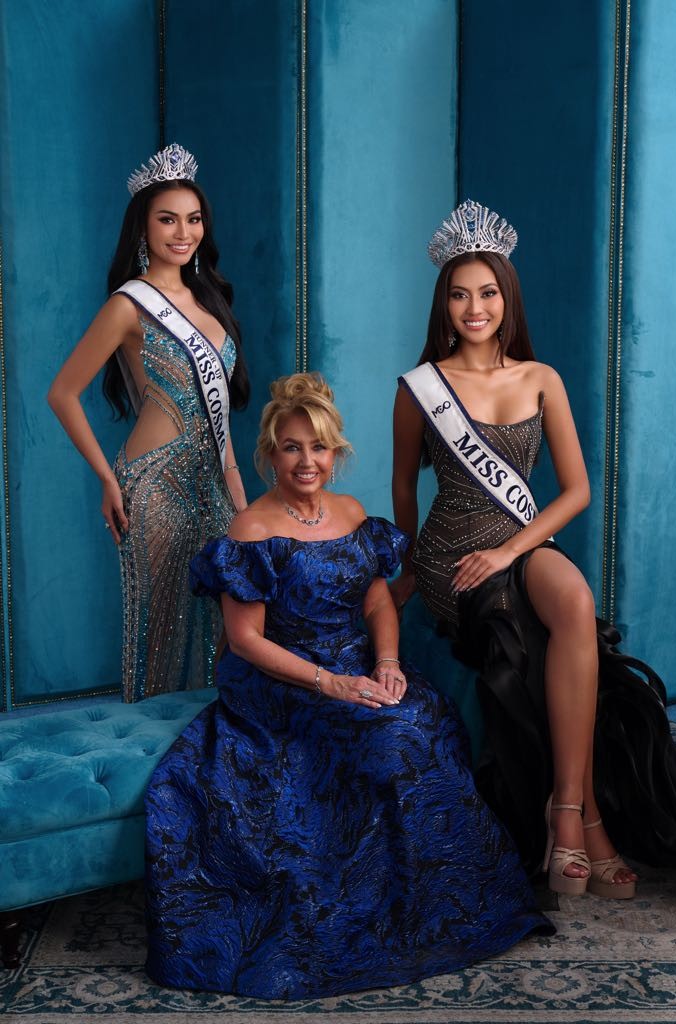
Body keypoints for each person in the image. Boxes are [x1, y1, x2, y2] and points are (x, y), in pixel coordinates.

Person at [144, 372, 552, 1000]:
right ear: (270, 453)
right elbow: (246, 641)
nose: (306, 461)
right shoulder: (250, 530)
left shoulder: (353, 513)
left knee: (424, 718)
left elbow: (378, 603)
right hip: (279, 678)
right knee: (386, 734)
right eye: (291, 447)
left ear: (336, 452)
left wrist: (387, 662)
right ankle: (357, 909)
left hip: (354, 663)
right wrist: (329, 683)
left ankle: (431, 904)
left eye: (318, 447)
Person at [392, 199, 676, 894]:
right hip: (452, 555)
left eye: (487, 292)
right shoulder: (420, 387)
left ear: (507, 298)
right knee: (519, 623)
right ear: (443, 304)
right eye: (459, 295)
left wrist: (507, 552)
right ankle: (585, 829)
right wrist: (407, 570)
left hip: (517, 543)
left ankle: (569, 810)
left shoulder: (541, 377)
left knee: (573, 600)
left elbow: (575, 491)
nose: (474, 308)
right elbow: (402, 487)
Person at [48, 143, 249, 702]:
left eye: (193, 218)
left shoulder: (212, 301)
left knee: (226, 628)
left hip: (214, 483)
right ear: (143, 226)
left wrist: (238, 493)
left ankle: (206, 747)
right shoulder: (128, 305)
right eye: (167, 219)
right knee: (158, 628)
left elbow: (218, 416)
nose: (183, 232)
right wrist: (107, 479)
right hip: (154, 484)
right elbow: (62, 393)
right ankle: (150, 743)